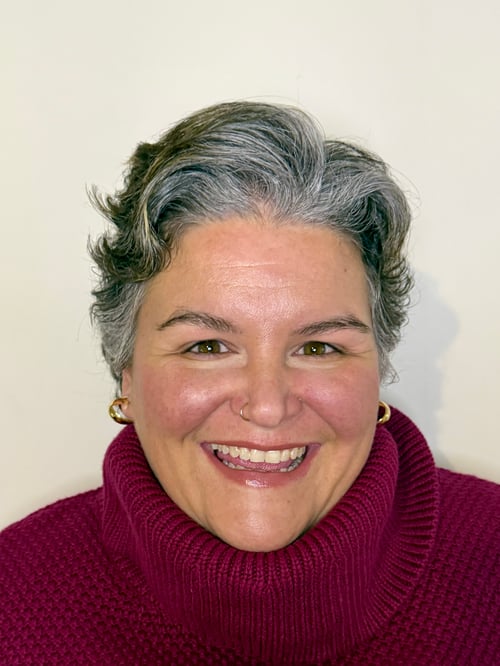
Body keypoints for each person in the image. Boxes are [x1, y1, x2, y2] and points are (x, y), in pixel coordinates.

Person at [0, 101, 498, 665]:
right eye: (208, 347)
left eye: (319, 347)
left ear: (377, 369)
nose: (267, 406)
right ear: (127, 375)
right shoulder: (13, 603)